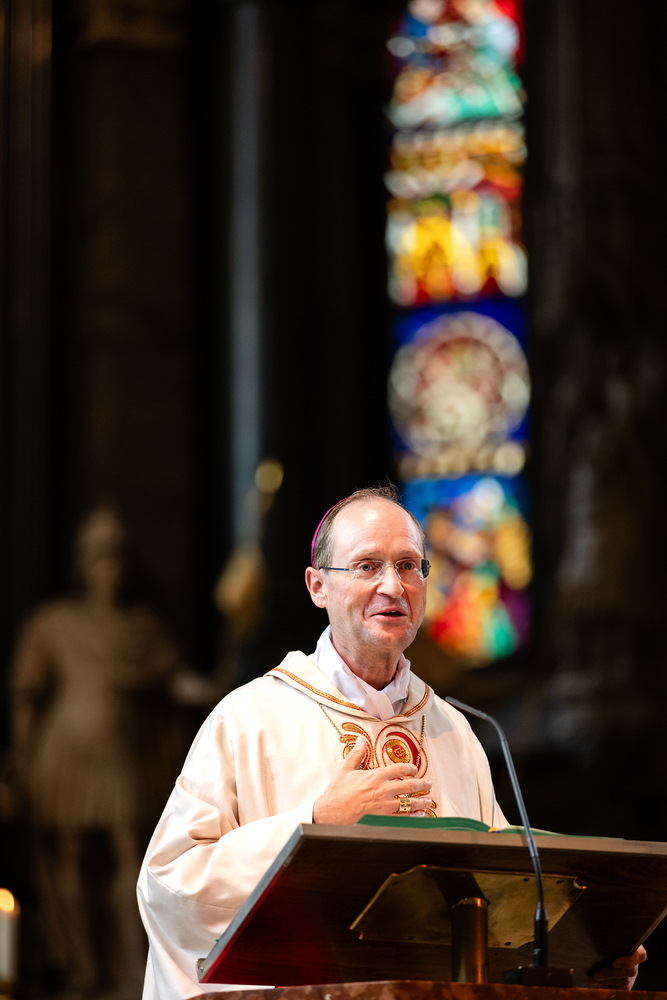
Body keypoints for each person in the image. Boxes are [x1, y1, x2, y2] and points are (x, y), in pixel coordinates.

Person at [137, 486, 646, 999]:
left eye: (408, 566)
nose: (392, 586)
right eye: (367, 566)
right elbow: (170, 884)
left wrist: (587, 961)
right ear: (318, 586)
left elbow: (499, 906)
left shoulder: (455, 729)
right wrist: (314, 821)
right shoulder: (251, 719)